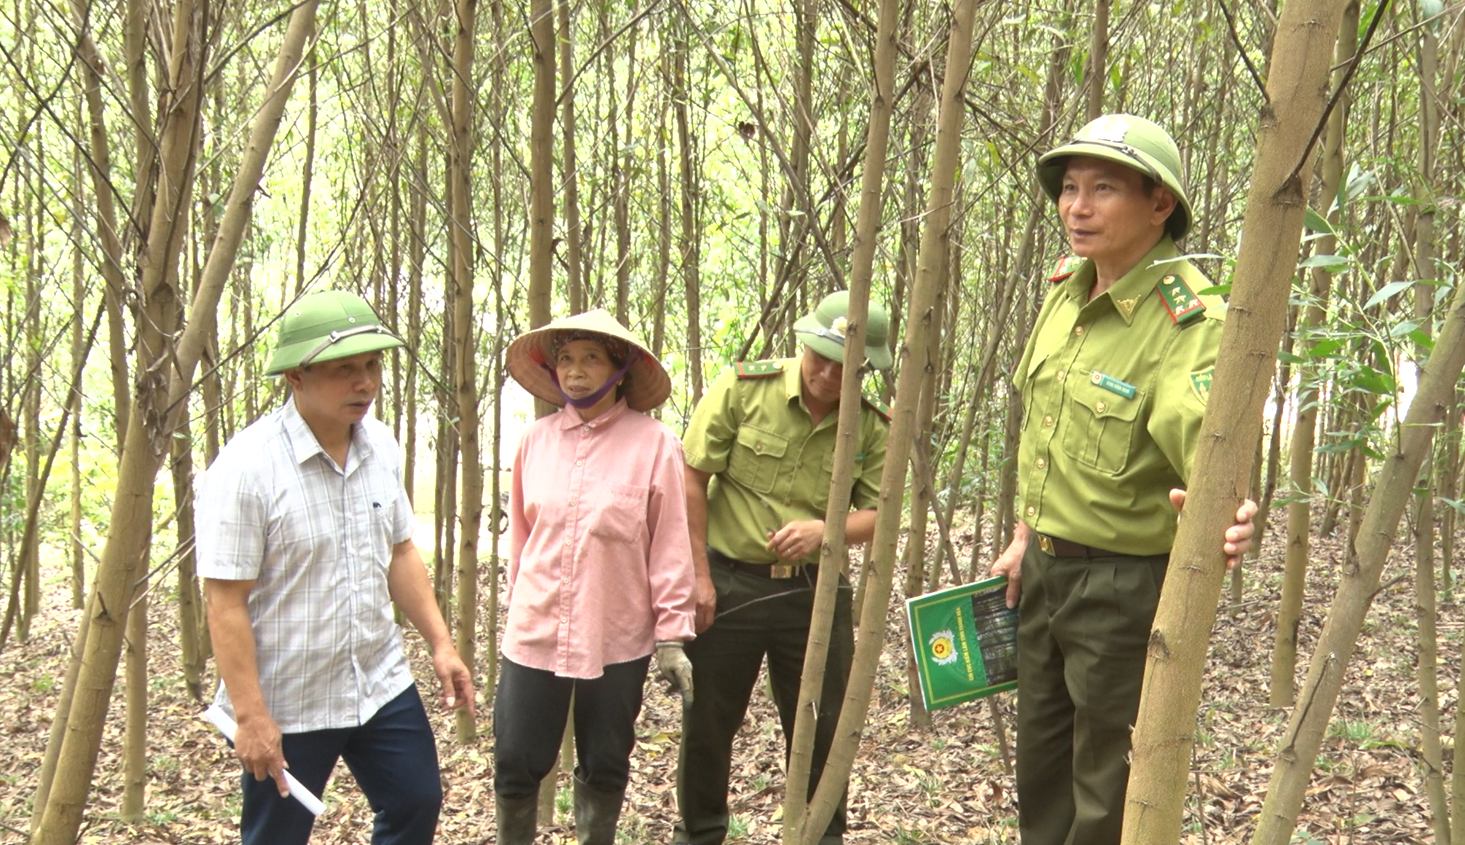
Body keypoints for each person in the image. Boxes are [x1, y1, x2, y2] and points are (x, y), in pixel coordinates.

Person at [988, 114, 1257, 845]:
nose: (1076, 207)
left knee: (1107, 787)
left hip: (1120, 585)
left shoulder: (1190, 320)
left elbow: (1212, 459)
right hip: (1043, 572)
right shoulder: (1066, 290)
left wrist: (1230, 516)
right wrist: (1024, 534)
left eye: (1103, 189)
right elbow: (1046, 430)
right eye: (1069, 188)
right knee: (1042, 773)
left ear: (1159, 203)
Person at [198, 290, 475, 845]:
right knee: (277, 837)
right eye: (344, 369)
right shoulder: (247, 468)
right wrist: (251, 717)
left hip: (377, 678)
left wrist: (441, 644)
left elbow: (400, 551)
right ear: (296, 376)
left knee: (416, 801)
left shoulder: (381, 447)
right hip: (289, 696)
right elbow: (225, 600)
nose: (364, 383)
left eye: (372, 366)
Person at [675, 291, 892, 845]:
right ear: (803, 343)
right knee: (708, 725)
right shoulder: (744, 389)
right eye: (821, 357)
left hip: (814, 594)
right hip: (731, 583)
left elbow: (881, 513)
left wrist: (828, 531)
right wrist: (698, 577)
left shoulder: (872, 427)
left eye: (846, 366)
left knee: (822, 730)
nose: (828, 374)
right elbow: (691, 477)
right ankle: (700, 835)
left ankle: (820, 837)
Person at [494, 309, 697, 845]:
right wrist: (514, 609)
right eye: (565, 359)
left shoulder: (655, 444)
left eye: (591, 359)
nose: (575, 371)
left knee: (606, 761)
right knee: (515, 759)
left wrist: (672, 636)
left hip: (616, 633)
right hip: (535, 628)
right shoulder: (534, 441)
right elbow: (521, 541)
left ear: (620, 370)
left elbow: (670, 544)